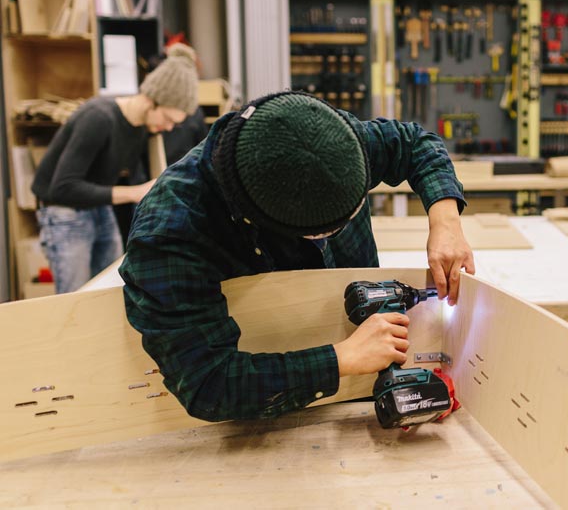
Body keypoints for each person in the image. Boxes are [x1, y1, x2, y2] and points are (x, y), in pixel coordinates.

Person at [120, 91, 475, 422]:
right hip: (264, 419)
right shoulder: (170, 234)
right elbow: (207, 383)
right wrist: (339, 360)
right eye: (326, 232)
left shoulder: (321, 134)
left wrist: (445, 221)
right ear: (265, 222)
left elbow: (413, 143)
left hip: (357, 390)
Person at [32, 44, 199, 294]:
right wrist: (132, 193)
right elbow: (61, 188)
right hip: (64, 210)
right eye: (168, 119)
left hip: (98, 206)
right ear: (152, 101)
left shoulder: (142, 127)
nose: (168, 128)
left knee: (110, 290)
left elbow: (144, 177)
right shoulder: (98, 118)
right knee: (72, 300)